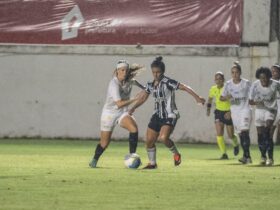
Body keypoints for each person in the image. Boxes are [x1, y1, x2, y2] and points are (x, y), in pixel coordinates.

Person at [129, 56, 205, 169]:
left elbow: (184, 87)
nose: (155, 74)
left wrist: (197, 97)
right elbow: (143, 98)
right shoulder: (150, 85)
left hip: (170, 114)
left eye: (158, 72)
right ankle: (152, 164)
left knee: (163, 138)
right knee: (149, 141)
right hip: (157, 115)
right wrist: (133, 107)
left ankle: (176, 154)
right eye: (153, 72)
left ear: (162, 72)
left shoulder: (168, 82)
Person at [89, 60, 144, 168]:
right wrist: (134, 99)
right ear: (117, 71)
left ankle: (132, 156)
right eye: (122, 70)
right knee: (104, 144)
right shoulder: (113, 84)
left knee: (134, 128)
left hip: (122, 113)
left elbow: (145, 89)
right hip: (109, 114)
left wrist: (151, 89)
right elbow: (119, 104)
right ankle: (94, 160)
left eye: (126, 70)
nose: (124, 72)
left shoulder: (131, 80)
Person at [220, 62, 252, 164]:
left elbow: (253, 94)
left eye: (236, 72)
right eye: (232, 72)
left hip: (245, 110)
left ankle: (247, 156)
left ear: (240, 73)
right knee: (241, 135)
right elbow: (221, 97)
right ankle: (247, 156)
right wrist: (226, 98)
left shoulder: (246, 83)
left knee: (244, 132)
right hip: (235, 112)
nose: (235, 74)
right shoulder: (228, 84)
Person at [249, 67, 280, 165]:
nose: (264, 80)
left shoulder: (276, 84)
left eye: (266, 78)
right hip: (259, 110)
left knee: (267, 131)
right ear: (259, 78)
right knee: (260, 134)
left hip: (271, 110)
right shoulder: (255, 85)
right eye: (262, 78)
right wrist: (258, 102)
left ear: (269, 77)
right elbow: (250, 101)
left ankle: (270, 158)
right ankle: (263, 156)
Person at [206, 72, 239, 159]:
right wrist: (208, 109)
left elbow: (234, 100)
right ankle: (224, 154)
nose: (218, 80)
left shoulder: (228, 88)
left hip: (228, 112)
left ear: (223, 80)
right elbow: (209, 99)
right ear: (214, 80)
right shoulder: (213, 89)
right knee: (219, 133)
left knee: (230, 135)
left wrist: (231, 112)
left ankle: (236, 145)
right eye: (216, 79)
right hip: (218, 113)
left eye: (220, 78)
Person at [271, 63, 280, 145]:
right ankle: (269, 142)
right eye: (272, 71)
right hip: (272, 107)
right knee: (271, 126)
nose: (273, 73)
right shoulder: (268, 82)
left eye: (275, 71)